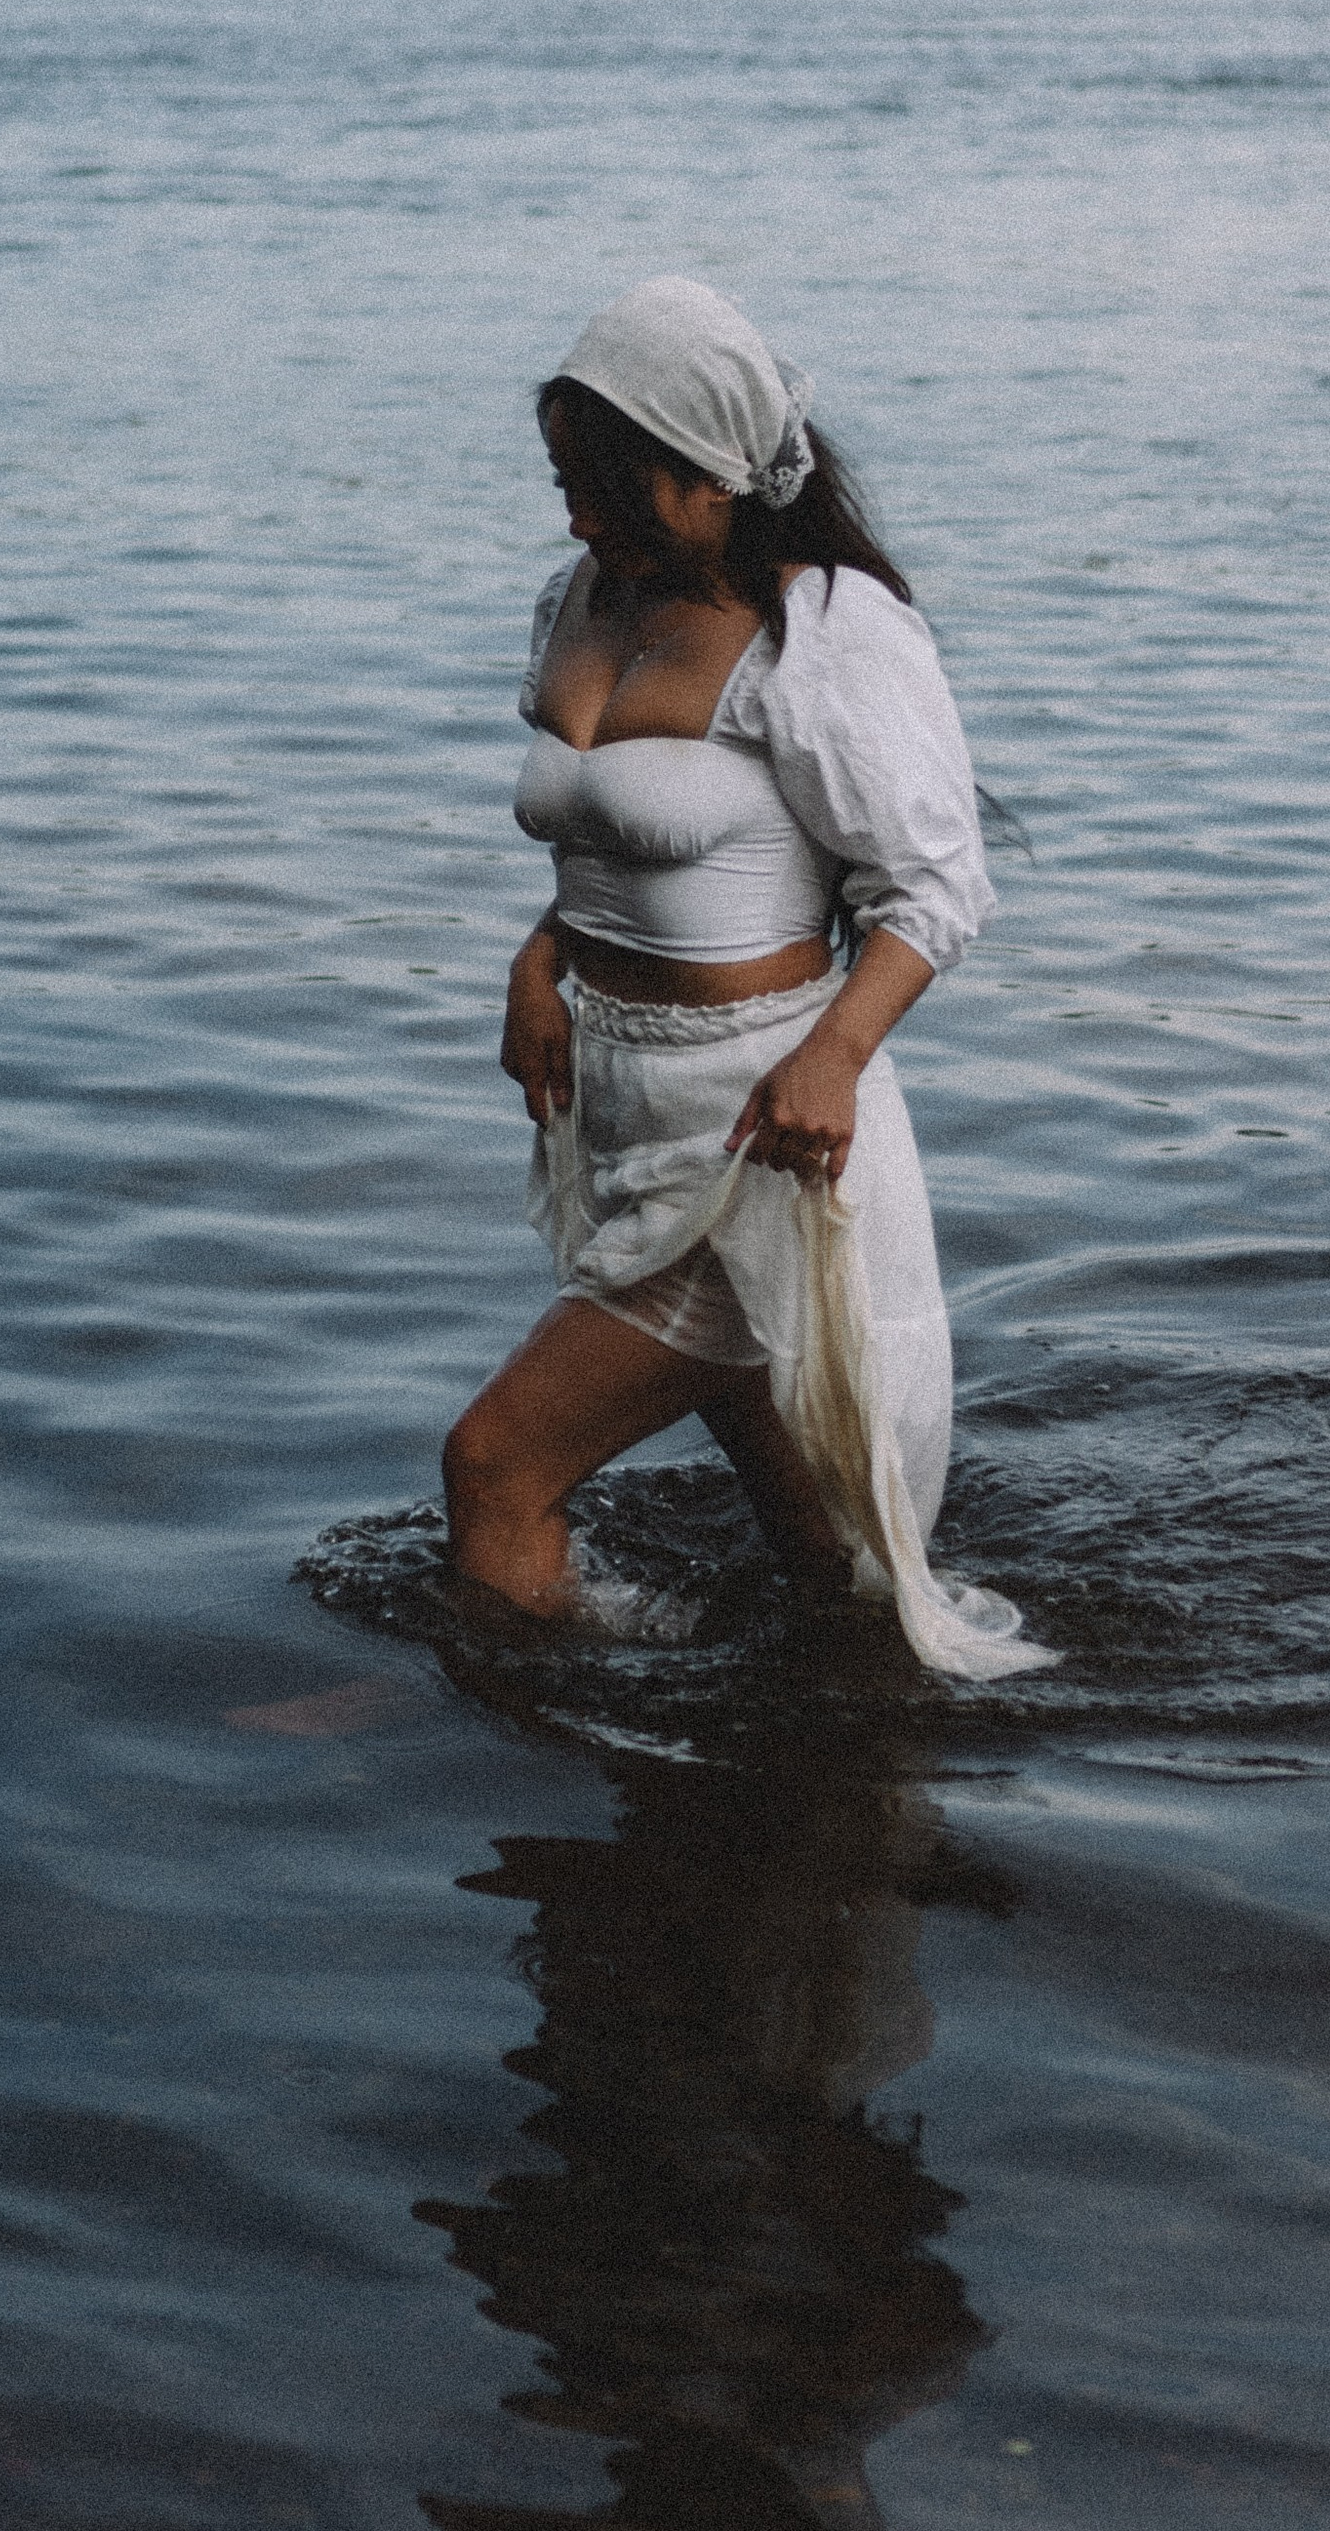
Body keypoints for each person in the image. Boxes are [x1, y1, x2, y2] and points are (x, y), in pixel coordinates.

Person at [442, 276, 1048, 1678]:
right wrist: (544, 956)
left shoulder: (823, 634)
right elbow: (621, 841)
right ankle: (810, 1770)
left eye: (605, 485)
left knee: (493, 1467)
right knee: (829, 1574)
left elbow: (936, 885)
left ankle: (517, 1744)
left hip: (758, 1138)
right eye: (562, 482)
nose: (577, 518)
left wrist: (832, 1056)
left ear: (711, 478)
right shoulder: (583, 598)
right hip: (624, 1112)